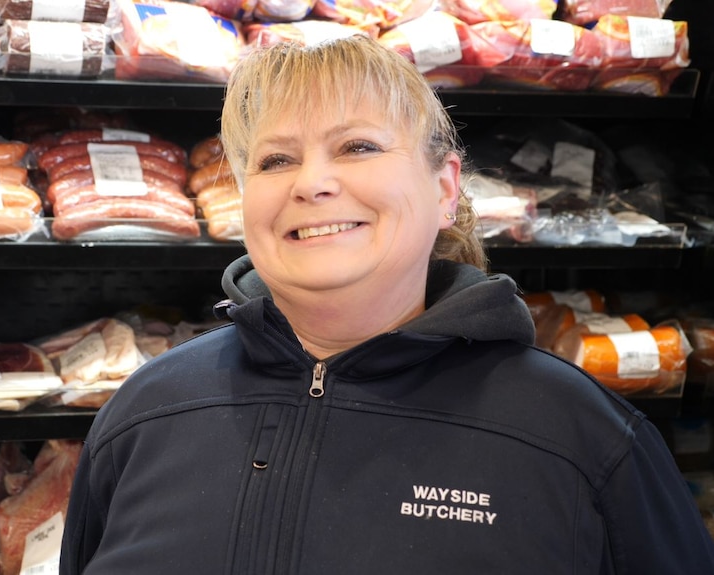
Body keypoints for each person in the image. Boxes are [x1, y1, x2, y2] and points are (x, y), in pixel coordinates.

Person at [59, 35, 714, 574]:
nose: (313, 182)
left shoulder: (586, 439)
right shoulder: (143, 413)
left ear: (445, 188)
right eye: (276, 159)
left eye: (358, 147)